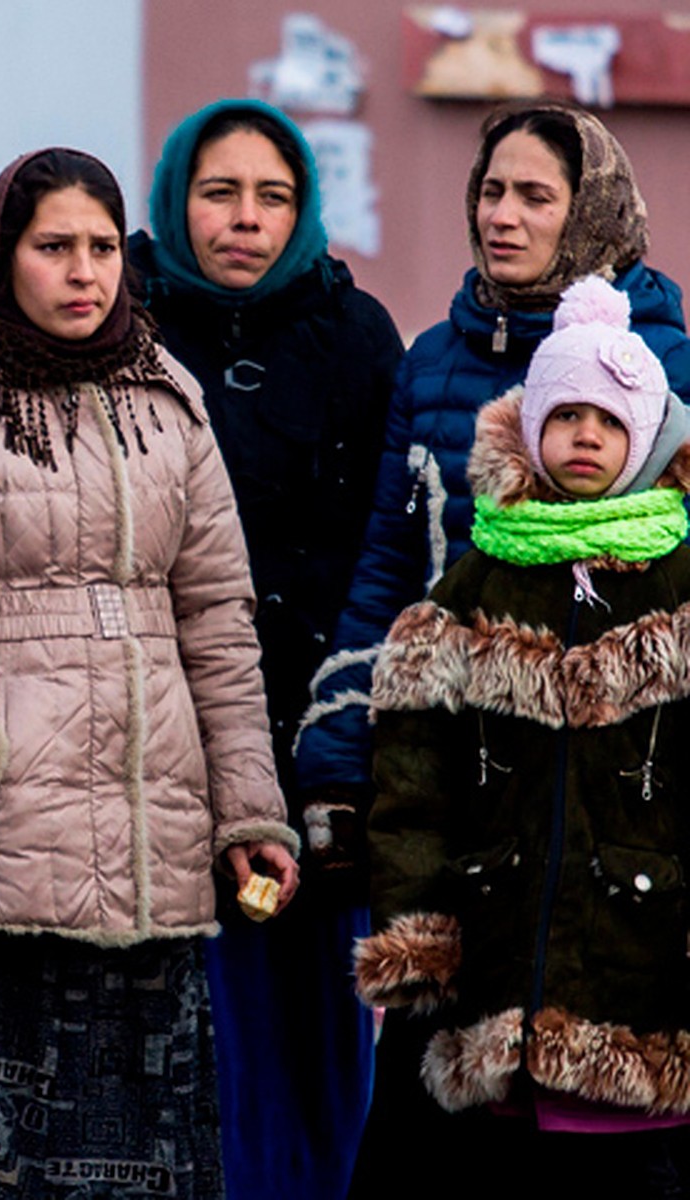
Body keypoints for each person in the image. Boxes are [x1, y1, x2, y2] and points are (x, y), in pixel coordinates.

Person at [0, 146, 298, 1200]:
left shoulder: (166, 400)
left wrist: (248, 808)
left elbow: (217, 621)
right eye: (54, 248)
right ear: (4, 255)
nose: (84, 272)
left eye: (102, 249)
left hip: (150, 863)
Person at [288, 99, 690, 1189]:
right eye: (490, 191)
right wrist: (336, 759)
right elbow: (384, 568)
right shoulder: (432, 360)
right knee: (438, 1119)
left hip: (615, 805)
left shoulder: (663, 368)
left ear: (592, 209)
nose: (502, 216)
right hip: (459, 775)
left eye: (535, 196)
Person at [356, 274, 690, 1197]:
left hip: (642, 985)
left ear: (646, 439)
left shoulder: (682, 589)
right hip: (495, 982)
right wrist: (416, 934)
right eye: (567, 414)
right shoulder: (470, 593)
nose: (586, 435)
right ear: (531, 425)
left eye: (611, 421)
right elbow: (411, 785)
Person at [128, 98, 402, 1199]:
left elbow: (389, 541)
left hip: (325, 743)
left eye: (273, 196)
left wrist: (347, 726)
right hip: (165, 739)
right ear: (176, 198)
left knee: (322, 1028)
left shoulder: (355, 334)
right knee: (200, 1033)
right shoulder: (125, 326)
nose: (244, 219)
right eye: (219, 192)